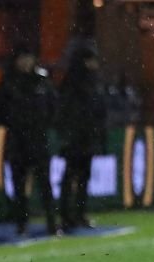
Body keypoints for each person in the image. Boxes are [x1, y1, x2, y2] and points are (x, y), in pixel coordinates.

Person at [0, 46, 58, 236]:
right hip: (17, 140)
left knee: (44, 184)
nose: (25, 62)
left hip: (38, 139)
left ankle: (52, 223)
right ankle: (22, 224)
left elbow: (54, 105)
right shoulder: (8, 81)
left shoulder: (42, 80)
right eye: (22, 58)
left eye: (28, 58)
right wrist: (10, 123)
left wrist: (43, 123)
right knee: (19, 186)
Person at [58, 46, 106, 231]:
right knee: (71, 177)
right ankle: (66, 216)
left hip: (85, 138)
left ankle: (78, 214)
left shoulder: (90, 82)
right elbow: (67, 112)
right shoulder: (74, 83)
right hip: (76, 138)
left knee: (81, 177)